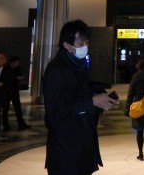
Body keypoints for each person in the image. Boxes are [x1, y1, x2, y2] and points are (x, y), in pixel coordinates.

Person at [43, 20, 119, 175]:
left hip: (81, 146)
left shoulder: (78, 65)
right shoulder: (56, 70)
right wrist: (92, 101)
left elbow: (78, 93)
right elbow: (55, 113)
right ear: (66, 45)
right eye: (80, 42)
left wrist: (98, 97)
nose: (84, 46)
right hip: (66, 152)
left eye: (86, 42)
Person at [2, 55, 31, 131]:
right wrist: (15, 78)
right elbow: (7, 78)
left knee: (18, 108)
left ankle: (21, 124)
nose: (17, 64)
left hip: (14, 90)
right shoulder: (6, 69)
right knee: (5, 109)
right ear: (12, 62)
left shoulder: (18, 68)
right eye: (16, 63)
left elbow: (20, 76)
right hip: (7, 91)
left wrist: (19, 78)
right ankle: (6, 126)